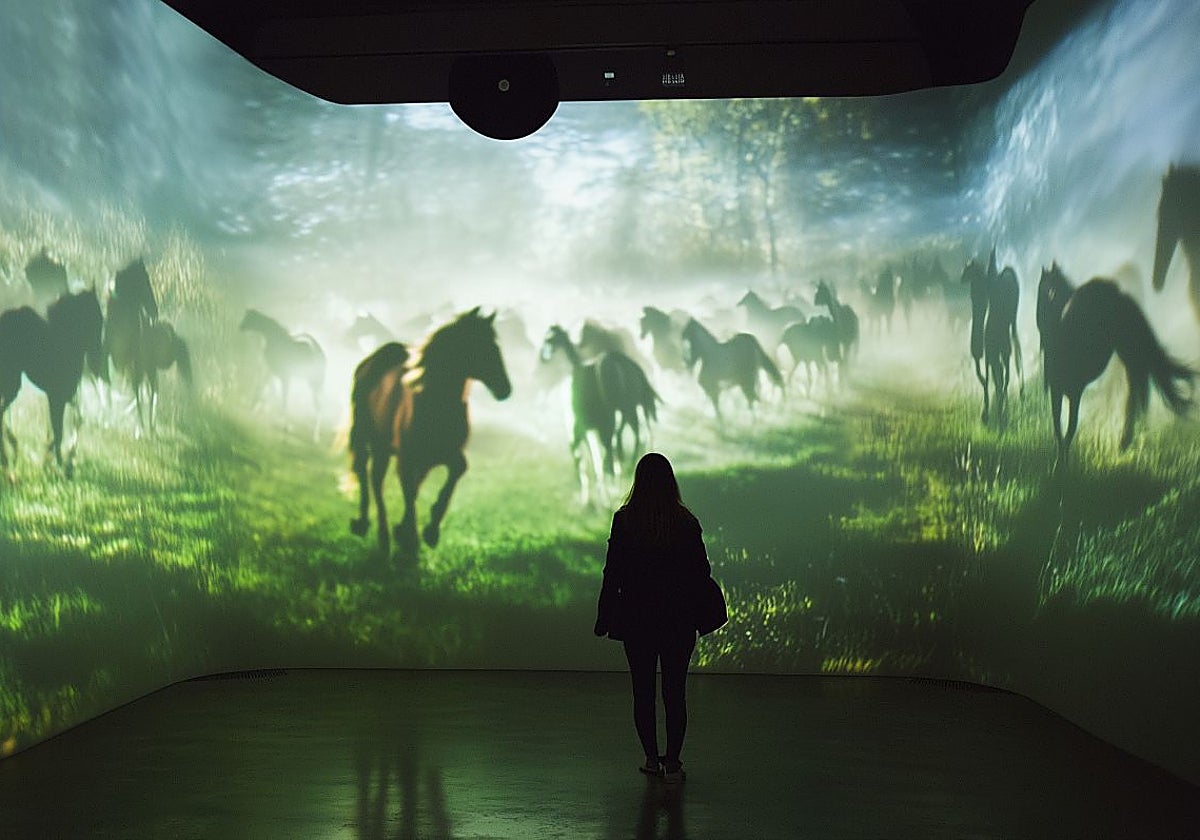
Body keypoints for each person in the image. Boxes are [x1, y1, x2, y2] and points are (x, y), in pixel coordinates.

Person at [593, 452, 711, 783]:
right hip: (678, 620)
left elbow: (612, 573)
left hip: (637, 619)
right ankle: (672, 762)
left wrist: (604, 616)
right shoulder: (686, 522)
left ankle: (650, 758)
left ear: (639, 481)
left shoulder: (625, 521)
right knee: (675, 692)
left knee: (642, 692)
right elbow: (701, 572)